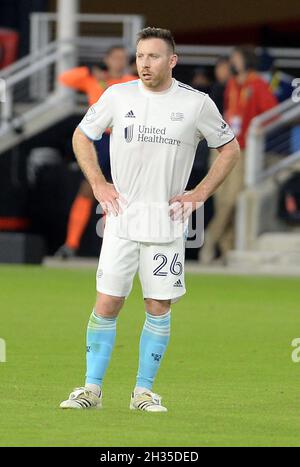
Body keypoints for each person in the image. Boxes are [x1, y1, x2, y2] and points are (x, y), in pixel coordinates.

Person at [59, 27, 239, 412]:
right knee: (107, 303)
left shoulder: (196, 103)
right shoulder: (117, 95)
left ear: (171, 61)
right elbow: (81, 135)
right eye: (140, 55)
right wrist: (98, 183)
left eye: (154, 56)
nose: (145, 63)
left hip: (167, 221)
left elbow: (229, 149)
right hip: (121, 219)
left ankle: (143, 392)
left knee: (158, 306)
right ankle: (91, 389)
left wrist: (199, 194)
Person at [55, 47, 137, 258]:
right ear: (106, 60)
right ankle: (71, 244)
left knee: (117, 193)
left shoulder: (132, 81)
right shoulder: (94, 80)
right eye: (115, 58)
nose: (119, 62)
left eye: (122, 58)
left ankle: (112, 246)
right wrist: (90, 72)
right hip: (98, 140)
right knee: (87, 189)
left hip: (123, 140)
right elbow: (64, 78)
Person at [200, 46, 278, 265]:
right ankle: (226, 251)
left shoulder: (258, 85)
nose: (231, 62)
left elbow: (271, 114)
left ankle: (210, 241)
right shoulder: (232, 84)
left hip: (242, 150)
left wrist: (255, 130)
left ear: (245, 61)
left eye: (234, 59)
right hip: (219, 147)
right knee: (218, 198)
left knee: (231, 200)